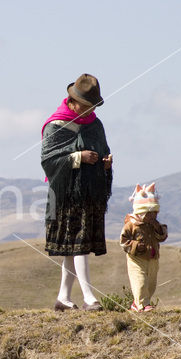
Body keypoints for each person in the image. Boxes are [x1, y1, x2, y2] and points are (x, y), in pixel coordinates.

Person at [41, 73, 113, 312]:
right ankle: (89, 298)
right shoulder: (55, 126)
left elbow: (103, 149)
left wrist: (105, 164)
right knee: (79, 244)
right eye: (85, 106)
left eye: (91, 107)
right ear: (72, 101)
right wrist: (78, 157)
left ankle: (63, 298)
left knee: (74, 248)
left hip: (89, 194)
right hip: (65, 197)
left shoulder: (95, 125)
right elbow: (49, 161)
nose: (88, 111)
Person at [119, 183, 168, 312]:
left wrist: (157, 227)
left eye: (154, 213)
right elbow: (123, 241)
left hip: (153, 259)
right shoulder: (131, 225)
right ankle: (142, 304)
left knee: (151, 284)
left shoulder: (156, 225)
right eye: (149, 213)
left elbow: (162, 237)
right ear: (140, 212)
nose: (152, 216)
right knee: (140, 282)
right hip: (137, 260)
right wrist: (136, 246)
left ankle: (138, 303)